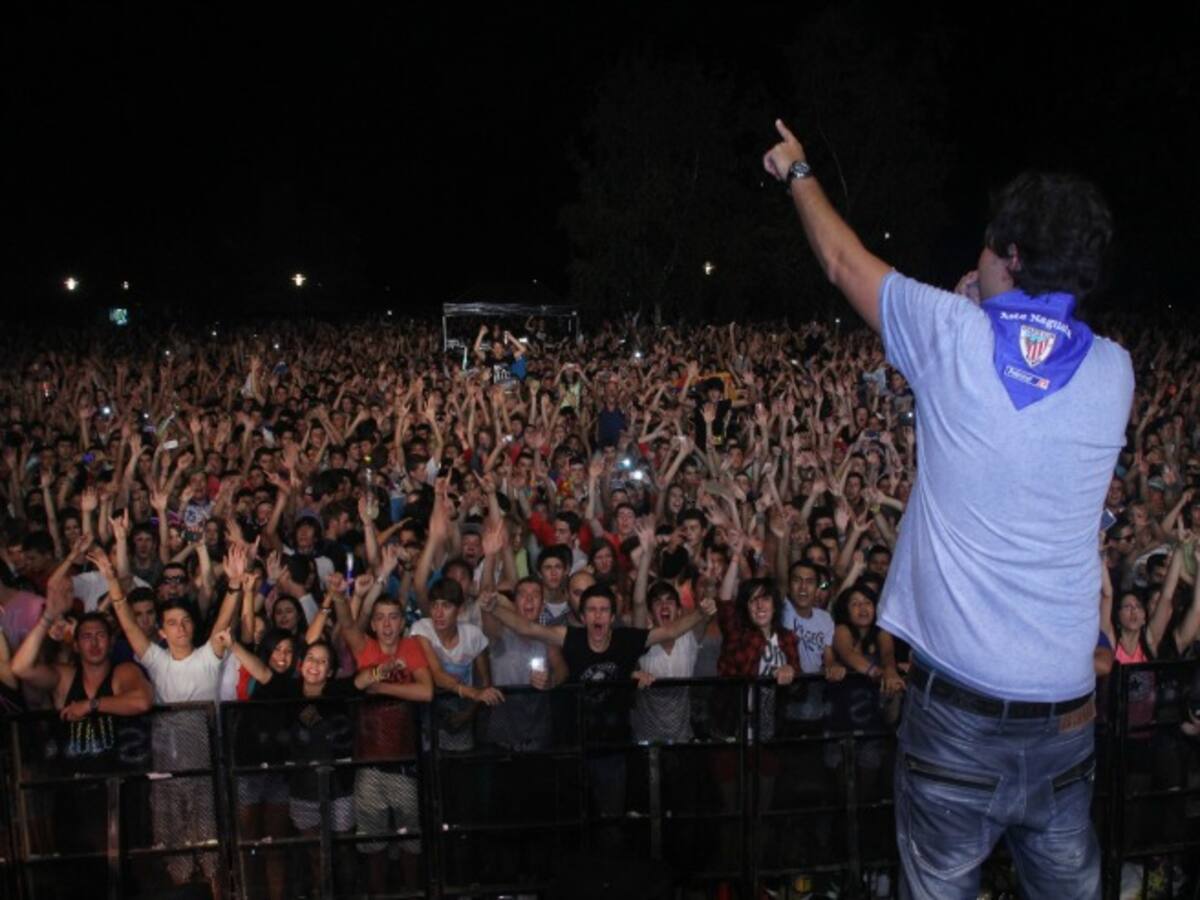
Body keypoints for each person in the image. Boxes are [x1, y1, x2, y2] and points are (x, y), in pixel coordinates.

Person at [764, 121, 1133, 897]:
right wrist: (985, 301)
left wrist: (798, 169)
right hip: (1066, 713)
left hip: (958, 719)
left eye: (987, 248)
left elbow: (841, 260)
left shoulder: (951, 334)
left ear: (1011, 257)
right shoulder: (1115, 372)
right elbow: (1038, 348)